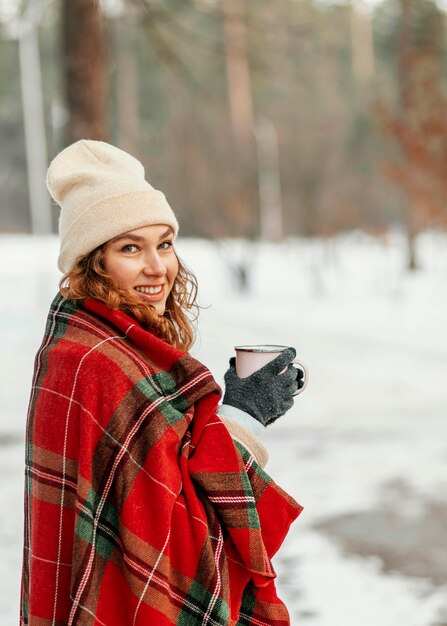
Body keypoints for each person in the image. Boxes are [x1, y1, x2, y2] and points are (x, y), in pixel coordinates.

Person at [20, 140, 303, 626]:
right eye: (131, 248)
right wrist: (240, 420)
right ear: (94, 261)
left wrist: (229, 421)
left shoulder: (102, 346)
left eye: (164, 244)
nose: (158, 268)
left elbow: (164, 489)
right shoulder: (96, 363)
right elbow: (174, 540)